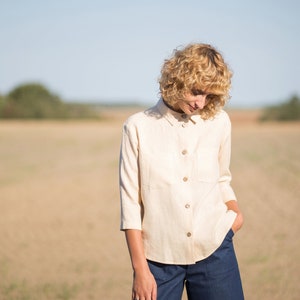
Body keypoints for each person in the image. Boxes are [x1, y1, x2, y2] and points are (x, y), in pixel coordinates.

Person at [119, 43, 244, 300]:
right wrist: (140, 270)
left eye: (208, 95)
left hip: (215, 252)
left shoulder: (219, 122)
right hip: (157, 261)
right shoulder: (138, 127)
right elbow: (130, 204)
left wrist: (235, 218)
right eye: (197, 91)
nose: (201, 103)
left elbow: (222, 178)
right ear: (176, 80)